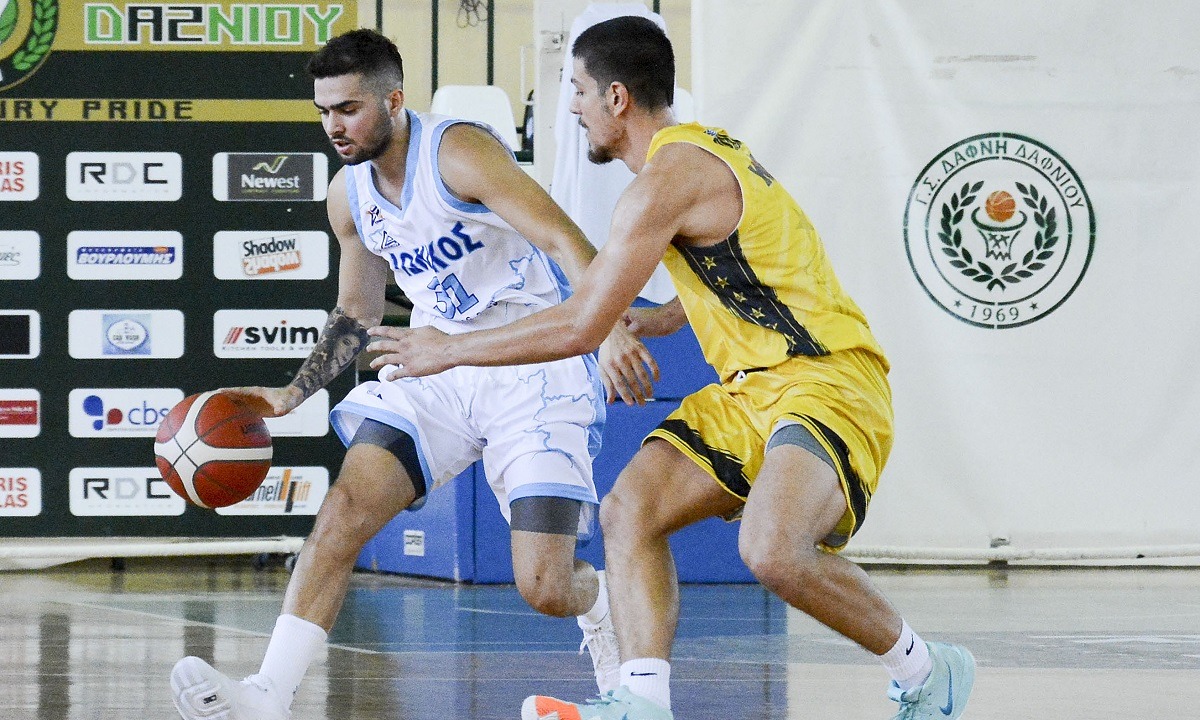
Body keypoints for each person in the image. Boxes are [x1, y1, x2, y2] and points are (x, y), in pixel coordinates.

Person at [363, 16, 976, 720]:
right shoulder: (700, 156)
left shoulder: (663, 184)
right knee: (631, 510)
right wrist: (658, 320)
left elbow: (581, 324)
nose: (573, 108)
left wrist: (446, 349)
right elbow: (747, 268)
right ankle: (643, 700)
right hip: (751, 391)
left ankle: (927, 669)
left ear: (616, 98)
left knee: (772, 550)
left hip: (824, 378)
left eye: (579, 90)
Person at [169, 28, 661, 720]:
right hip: (435, 362)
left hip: (533, 365)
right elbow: (356, 313)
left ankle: (601, 602)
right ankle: (268, 695)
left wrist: (606, 327)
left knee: (545, 585)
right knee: (343, 510)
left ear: (394, 101)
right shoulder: (348, 197)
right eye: (324, 111)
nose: (334, 126)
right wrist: (292, 393)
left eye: (348, 109)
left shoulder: (458, 152)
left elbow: (561, 236)